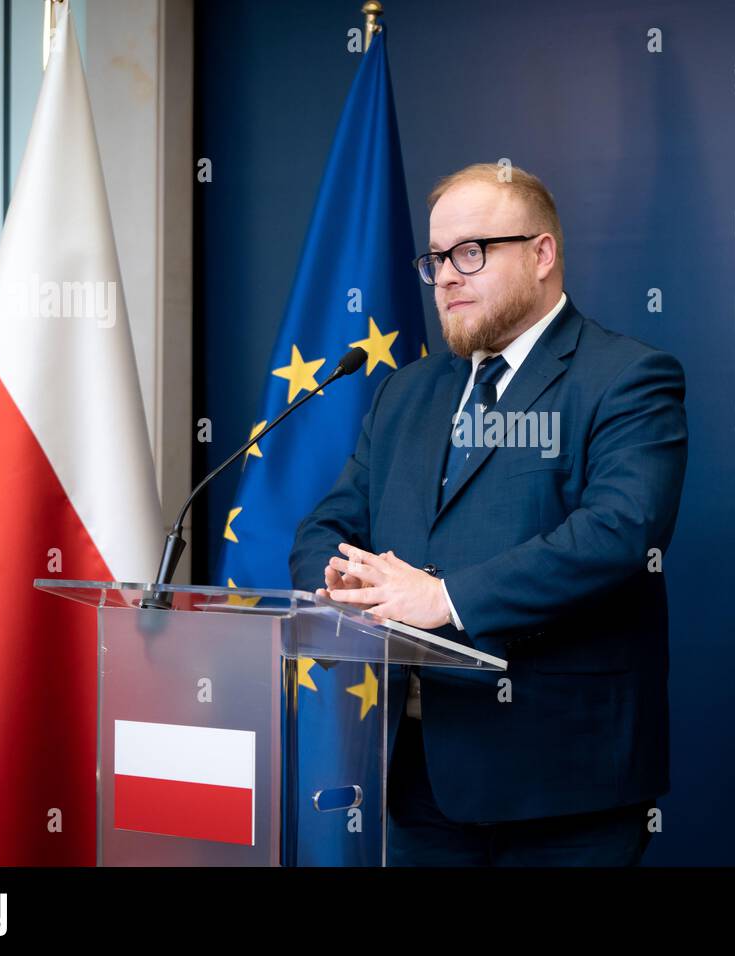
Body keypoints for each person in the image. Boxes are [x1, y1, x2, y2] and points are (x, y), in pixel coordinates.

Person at [289, 163, 688, 865]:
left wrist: (444, 597)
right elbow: (331, 523)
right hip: (420, 782)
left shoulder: (627, 377)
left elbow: (621, 532)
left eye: (471, 252)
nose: (446, 275)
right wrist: (344, 587)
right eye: (436, 258)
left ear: (541, 254)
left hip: (565, 786)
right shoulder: (404, 392)